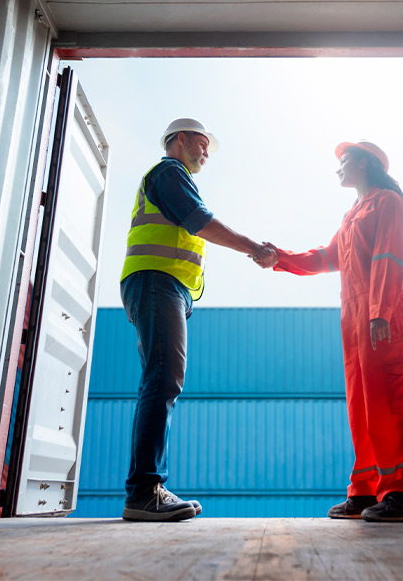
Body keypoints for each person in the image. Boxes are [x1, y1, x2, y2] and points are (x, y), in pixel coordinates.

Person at [258, 140, 403, 522]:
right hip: (353, 318)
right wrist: (281, 257)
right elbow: (325, 257)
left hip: (378, 311)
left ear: (366, 163)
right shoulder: (353, 214)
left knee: (392, 396)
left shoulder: (388, 201)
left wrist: (379, 311)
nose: (339, 166)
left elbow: (393, 255)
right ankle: (368, 489)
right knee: (363, 404)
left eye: (345, 159)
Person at [120, 118, 273, 522]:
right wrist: (252, 247)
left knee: (162, 377)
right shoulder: (169, 172)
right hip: (157, 281)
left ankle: (146, 489)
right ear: (180, 140)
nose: (206, 152)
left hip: (165, 287)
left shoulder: (174, 176)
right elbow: (198, 220)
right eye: (202, 144)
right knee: (164, 377)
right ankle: (145, 491)